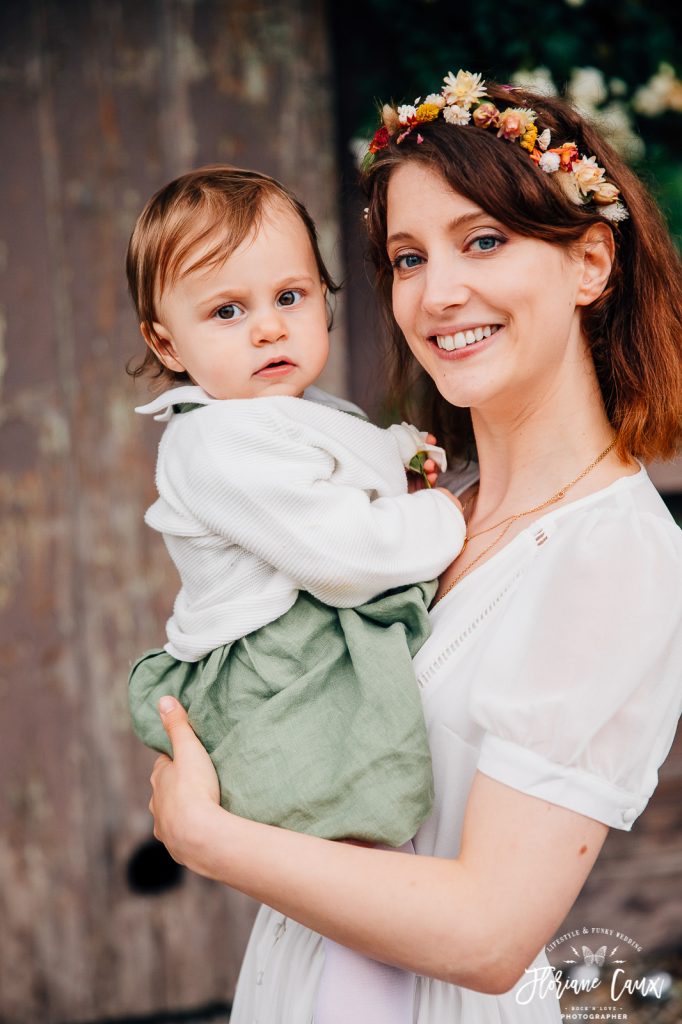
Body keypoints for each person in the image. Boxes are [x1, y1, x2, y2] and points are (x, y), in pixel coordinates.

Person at [145, 72, 682, 1023]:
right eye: (405, 257)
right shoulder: (430, 507)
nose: (438, 292)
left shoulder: (615, 554)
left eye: (483, 241)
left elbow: (488, 933)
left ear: (591, 262)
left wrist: (208, 836)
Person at [126, 165, 467, 1024]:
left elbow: (339, 473)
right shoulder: (218, 443)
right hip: (281, 667)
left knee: (367, 857)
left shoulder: (294, 409)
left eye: (291, 294)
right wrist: (443, 516)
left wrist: (398, 461)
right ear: (167, 344)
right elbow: (343, 551)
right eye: (226, 311)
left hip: (309, 642)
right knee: (358, 845)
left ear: (325, 295)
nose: (268, 328)